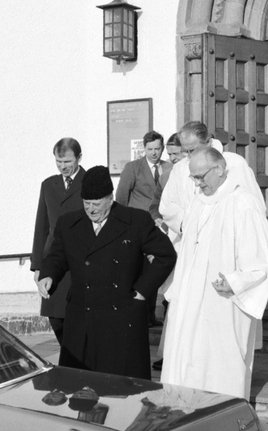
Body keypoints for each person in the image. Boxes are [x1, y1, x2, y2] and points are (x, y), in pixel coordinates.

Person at [37, 166, 176, 380]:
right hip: (82, 315)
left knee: (121, 390)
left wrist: (142, 291)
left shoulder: (136, 221)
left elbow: (165, 255)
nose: (91, 209)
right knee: (80, 389)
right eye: (86, 203)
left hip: (122, 315)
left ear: (110, 198)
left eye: (96, 203)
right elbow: (57, 256)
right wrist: (48, 275)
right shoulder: (69, 223)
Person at [161, 146, 268, 399]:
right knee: (186, 360)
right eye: (194, 178)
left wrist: (235, 281)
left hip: (222, 300)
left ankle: (222, 417)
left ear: (220, 170)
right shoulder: (198, 203)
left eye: (201, 177)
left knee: (218, 366)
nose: (197, 184)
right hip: (189, 300)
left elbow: (259, 259)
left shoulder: (243, 203)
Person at [158, 121, 265, 239]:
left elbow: (252, 205)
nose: (189, 155)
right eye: (185, 151)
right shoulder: (179, 168)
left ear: (208, 141)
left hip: (224, 238)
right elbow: (167, 204)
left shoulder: (234, 163)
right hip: (188, 238)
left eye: (193, 150)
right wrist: (188, 223)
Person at [115, 130, 173, 326]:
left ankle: (150, 315)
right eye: (150, 149)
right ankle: (139, 314)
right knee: (139, 271)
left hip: (161, 227)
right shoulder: (133, 167)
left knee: (155, 269)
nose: (154, 153)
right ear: (144, 148)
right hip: (138, 227)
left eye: (157, 149)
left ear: (162, 148)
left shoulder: (169, 167)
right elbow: (121, 197)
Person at [31, 137, 85, 343]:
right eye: (58, 162)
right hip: (53, 259)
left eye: (68, 162)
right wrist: (37, 266)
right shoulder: (48, 185)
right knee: (55, 317)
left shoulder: (89, 181)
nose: (63, 167)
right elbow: (41, 227)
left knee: (76, 317)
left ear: (79, 158)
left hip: (80, 258)